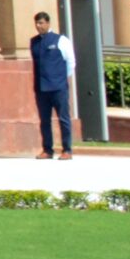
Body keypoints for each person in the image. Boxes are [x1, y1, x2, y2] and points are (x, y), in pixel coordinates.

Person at [30, 11, 75, 161]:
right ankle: (47, 149)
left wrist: (61, 79)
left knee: (63, 119)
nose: (39, 26)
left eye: (41, 23)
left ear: (48, 23)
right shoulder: (34, 42)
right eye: (37, 23)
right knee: (44, 120)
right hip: (41, 88)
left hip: (58, 87)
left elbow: (70, 62)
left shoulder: (60, 40)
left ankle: (67, 150)